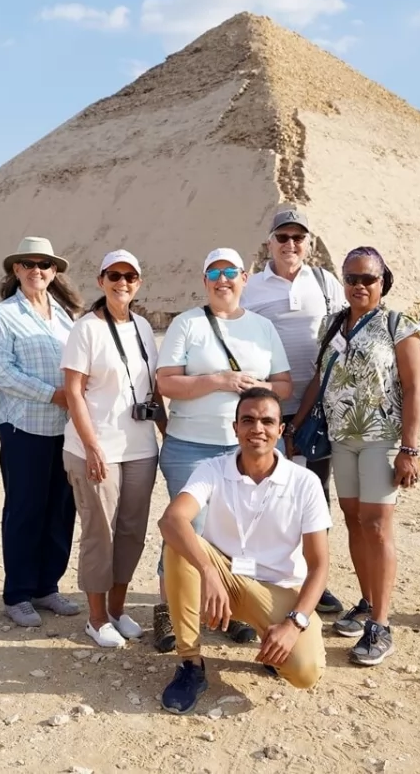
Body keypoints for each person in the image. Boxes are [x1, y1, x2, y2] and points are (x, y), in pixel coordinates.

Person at [151, 247, 293, 652]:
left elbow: (284, 386)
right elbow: (167, 383)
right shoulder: (188, 323)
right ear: (204, 282)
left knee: (241, 530)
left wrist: (258, 393)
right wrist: (219, 380)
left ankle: (231, 606)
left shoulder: (262, 328)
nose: (223, 279)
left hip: (248, 449)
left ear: (245, 278)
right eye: (214, 273)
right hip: (191, 445)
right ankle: (168, 608)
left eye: (231, 271)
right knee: (187, 527)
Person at [156, 387, 330, 714]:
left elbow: (320, 566)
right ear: (235, 427)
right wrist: (208, 571)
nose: (257, 428)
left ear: (281, 429)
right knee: (179, 542)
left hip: (277, 589)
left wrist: (294, 625)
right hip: (223, 577)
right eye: (247, 420)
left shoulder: (304, 483)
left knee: (305, 672)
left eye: (267, 421)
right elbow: (171, 520)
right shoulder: (212, 469)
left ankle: (274, 645)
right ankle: (191, 664)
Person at [290, 246, 420, 665]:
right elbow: (318, 376)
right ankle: (367, 601)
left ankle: (380, 624)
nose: (360, 285)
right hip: (340, 437)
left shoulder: (399, 326)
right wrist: (294, 427)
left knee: (379, 525)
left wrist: (410, 449)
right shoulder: (332, 324)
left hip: (382, 439)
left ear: (384, 281)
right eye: (352, 278)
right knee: (352, 520)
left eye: (368, 278)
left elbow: (414, 388)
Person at [240, 208, 347, 616]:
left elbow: (342, 335)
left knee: (313, 497)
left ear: (309, 243)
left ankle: (312, 586)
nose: (290, 245)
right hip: (267, 411)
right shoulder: (251, 288)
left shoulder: (326, 283)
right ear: (269, 242)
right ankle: (255, 587)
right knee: (259, 498)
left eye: (297, 238)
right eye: (282, 237)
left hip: (317, 411)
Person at [61, 249, 166, 647]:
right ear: (101, 280)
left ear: (139, 283)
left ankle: (118, 610)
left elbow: (153, 388)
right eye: (115, 275)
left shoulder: (142, 326)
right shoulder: (86, 328)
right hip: (96, 446)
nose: (123, 283)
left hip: (139, 447)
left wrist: (165, 432)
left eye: (130, 276)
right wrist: (91, 446)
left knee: (131, 531)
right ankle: (96, 616)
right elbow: (73, 390)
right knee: (99, 533)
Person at [0, 236, 85, 628]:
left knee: (61, 509)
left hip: (65, 429)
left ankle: (47, 586)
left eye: (44, 264)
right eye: (28, 264)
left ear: (54, 271)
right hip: (23, 426)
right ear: (16, 270)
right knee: (25, 510)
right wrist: (53, 395)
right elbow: (1, 370)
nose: (36, 271)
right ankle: (18, 593)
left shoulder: (65, 316)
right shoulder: (4, 314)